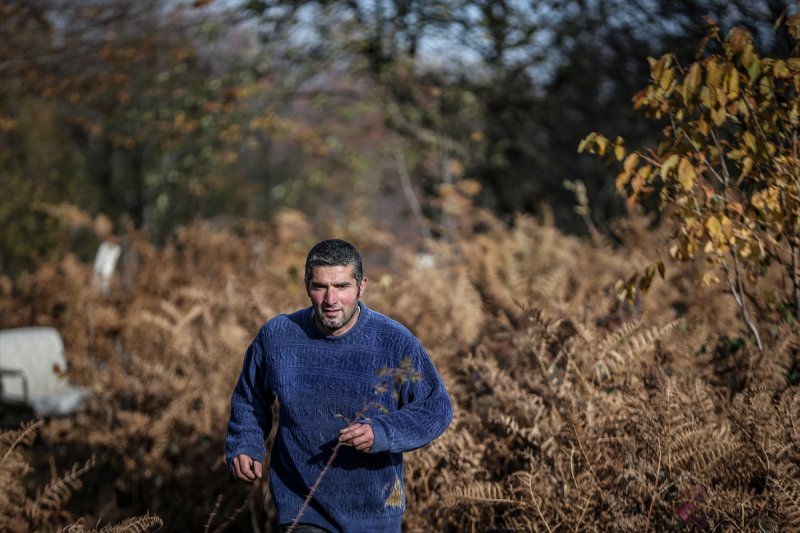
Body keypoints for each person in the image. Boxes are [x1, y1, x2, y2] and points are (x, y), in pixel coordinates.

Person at [226, 239, 453, 533]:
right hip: (302, 508)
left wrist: (381, 432)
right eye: (320, 287)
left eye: (342, 287)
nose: (331, 299)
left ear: (362, 286)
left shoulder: (394, 342)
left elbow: (436, 407)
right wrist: (245, 443)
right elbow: (250, 398)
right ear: (307, 286)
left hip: (376, 511)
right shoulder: (278, 337)